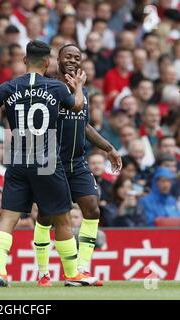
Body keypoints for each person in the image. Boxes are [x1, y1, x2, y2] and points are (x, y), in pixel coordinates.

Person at [0, 40, 95, 287]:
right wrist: (79, 87)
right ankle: (72, 274)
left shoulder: (9, 87)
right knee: (62, 219)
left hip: (17, 161)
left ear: (25, 61)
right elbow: (78, 105)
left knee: (8, 218)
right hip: (47, 161)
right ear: (48, 63)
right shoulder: (56, 88)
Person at [32, 44, 122, 287]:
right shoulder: (48, 87)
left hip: (77, 162)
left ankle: (81, 269)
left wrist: (108, 148)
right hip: (52, 162)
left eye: (77, 57)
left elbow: (84, 124)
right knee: (47, 216)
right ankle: (42, 272)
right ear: (57, 59)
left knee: (92, 209)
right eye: (67, 56)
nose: (72, 60)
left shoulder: (84, 91)